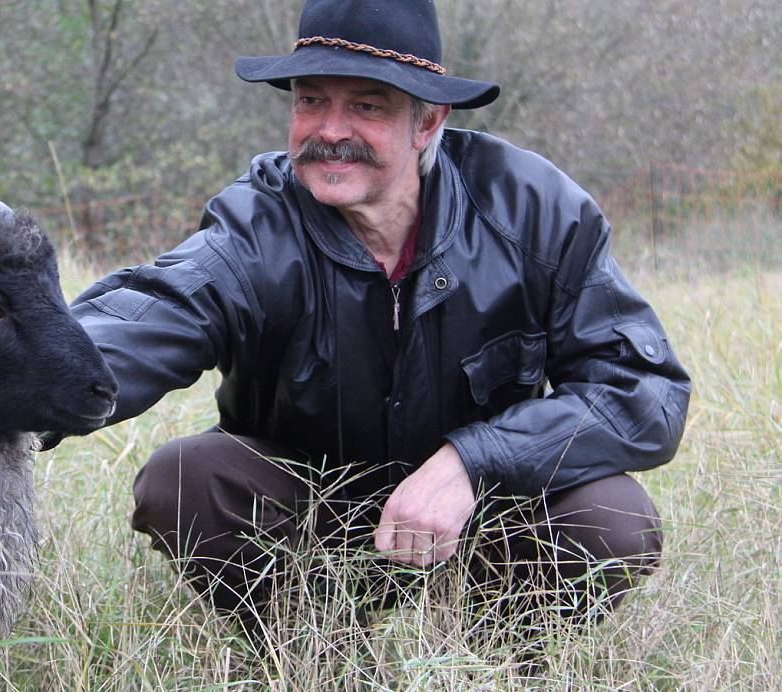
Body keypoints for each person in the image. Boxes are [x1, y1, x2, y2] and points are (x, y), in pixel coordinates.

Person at [64, 0, 691, 643]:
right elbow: (147, 318)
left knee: (613, 516)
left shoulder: (535, 212)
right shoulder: (257, 228)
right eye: (311, 101)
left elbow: (646, 392)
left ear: (428, 121)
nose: (330, 130)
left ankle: (480, 669)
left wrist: (475, 461)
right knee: (186, 477)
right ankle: (320, 662)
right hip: (311, 523)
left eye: (367, 106)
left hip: (481, 519)